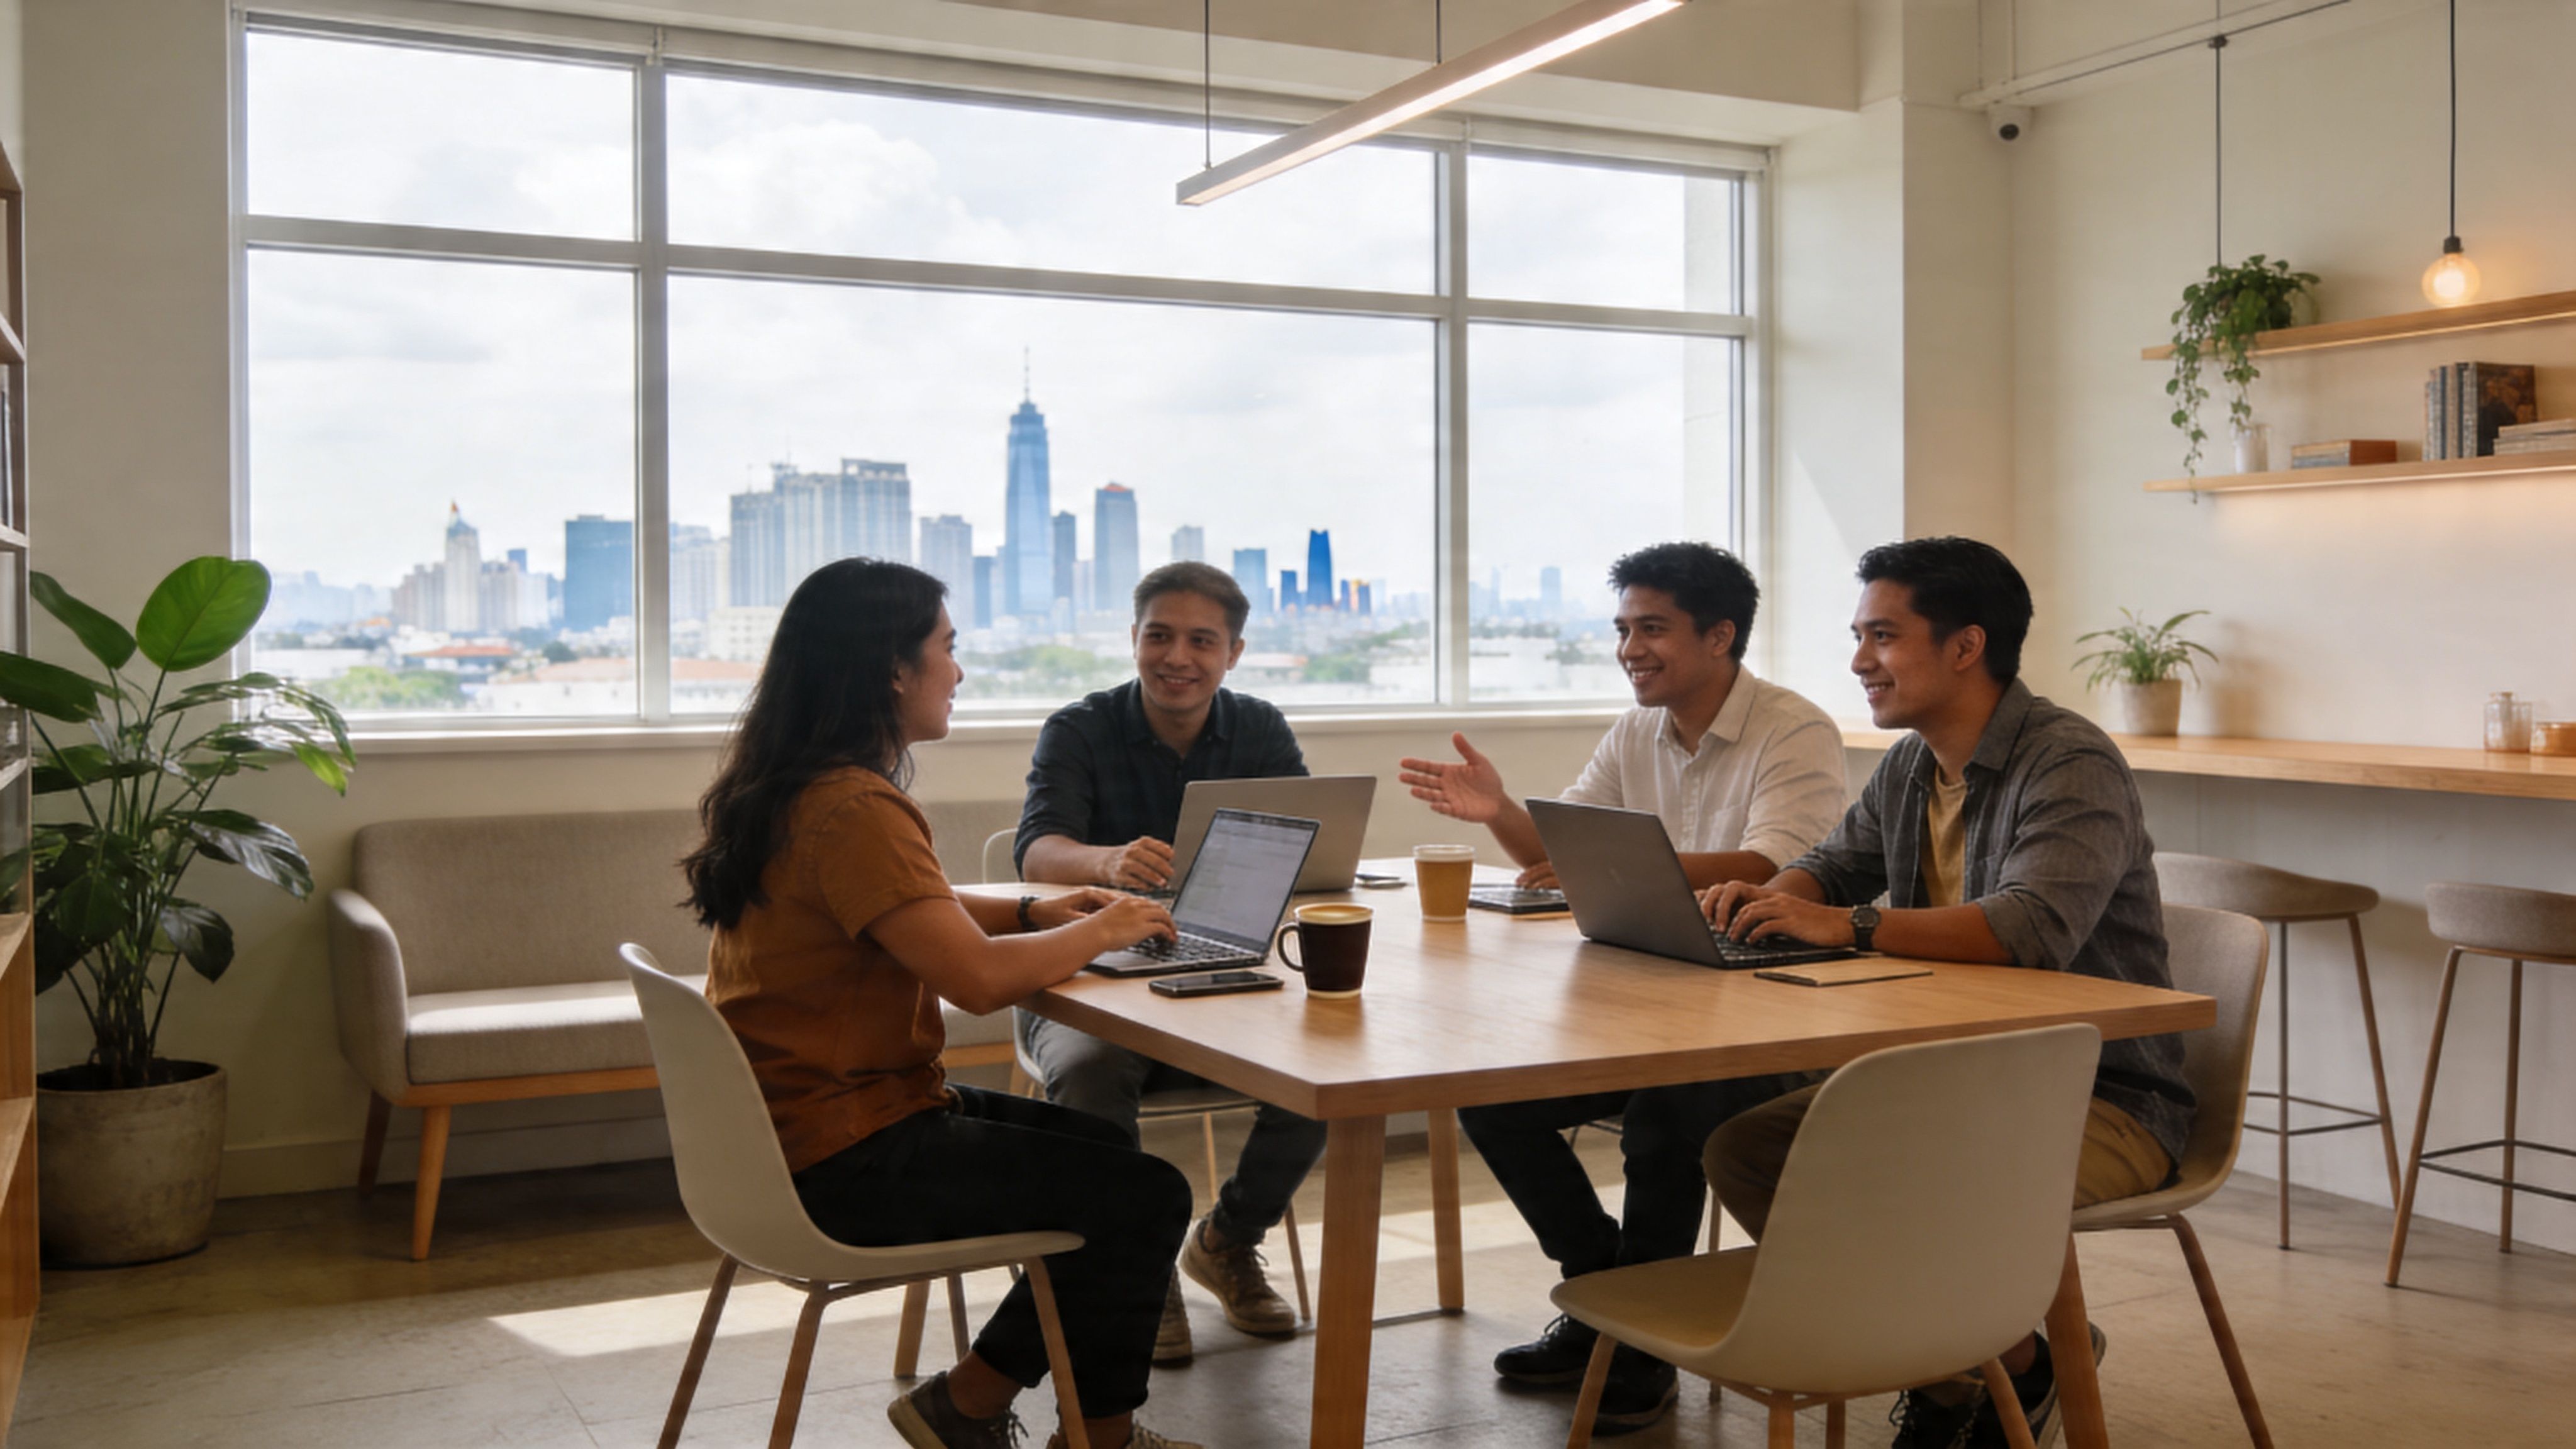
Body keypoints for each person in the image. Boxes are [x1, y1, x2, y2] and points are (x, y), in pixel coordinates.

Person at [683, 557, 1200, 1449]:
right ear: (891, 669)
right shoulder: (856, 808)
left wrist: (1044, 909)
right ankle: (1070, 1431)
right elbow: (978, 980)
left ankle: (973, 1403)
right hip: (847, 1156)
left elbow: (920, 906)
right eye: (947, 650)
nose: (957, 673)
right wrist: (1106, 925)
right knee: (1143, 1196)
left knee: (1106, 1157)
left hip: (793, 1138)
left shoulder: (797, 787)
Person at [1700, 536, 2196, 1449]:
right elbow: (1834, 863)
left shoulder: (2070, 762)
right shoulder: (1913, 763)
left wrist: (1843, 927)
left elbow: (2028, 927)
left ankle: (1957, 1381)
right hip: (1947, 1076)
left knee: (1893, 1175)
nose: (1858, 662)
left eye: (1882, 637)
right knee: (1750, 1150)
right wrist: (1774, 901)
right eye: (1858, 636)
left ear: (1966, 647)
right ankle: (2003, 1364)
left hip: (2100, 1097)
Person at [1397, 541, 1847, 1435]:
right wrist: (1501, 813)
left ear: (1720, 636)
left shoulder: (1794, 728)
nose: (1629, 649)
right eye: (1622, 629)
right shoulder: (1637, 728)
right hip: (1654, 995)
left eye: (1652, 629)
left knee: (1670, 1108)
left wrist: (1595, 863)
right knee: (1490, 1091)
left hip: (1770, 1012)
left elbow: (1773, 865)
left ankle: (1633, 1347)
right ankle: (1616, 1303)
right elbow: (1561, 857)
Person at [1014, 560, 1324, 1362]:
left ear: (1234, 652)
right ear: (1133, 640)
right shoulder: (1078, 728)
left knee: (1333, 1059)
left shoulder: (1260, 728)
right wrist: (1105, 863)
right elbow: (1036, 852)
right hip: (1085, 973)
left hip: (1217, 967)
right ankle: (1135, 1275)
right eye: (1159, 636)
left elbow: (1305, 851)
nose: (1176, 657)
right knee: (1088, 1069)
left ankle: (1226, 1239)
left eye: (1200, 641)